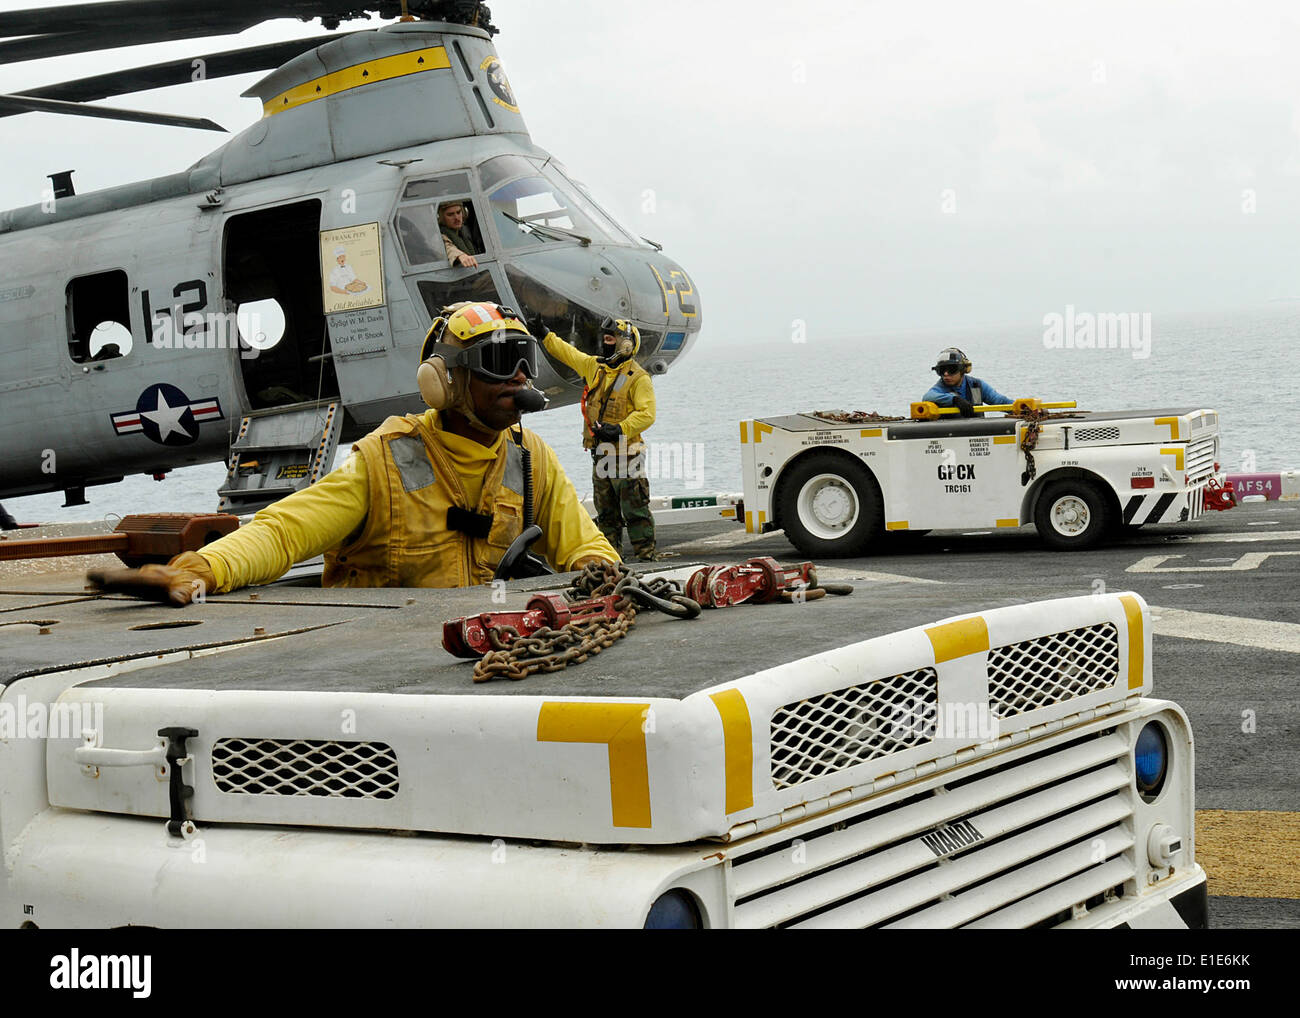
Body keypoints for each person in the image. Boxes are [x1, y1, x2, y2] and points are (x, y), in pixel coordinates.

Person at [89, 303, 616, 605]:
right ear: (445, 380)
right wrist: (200, 569)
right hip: (389, 660)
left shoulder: (530, 458)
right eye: (500, 360)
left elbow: (587, 547)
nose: (520, 377)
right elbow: (286, 530)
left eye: (524, 360)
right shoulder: (384, 460)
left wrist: (599, 576)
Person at [532, 316, 664, 561]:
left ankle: (647, 558)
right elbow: (568, 353)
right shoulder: (595, 367)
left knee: (635, 509)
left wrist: (620, 428)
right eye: (605, 339)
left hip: (627, 454)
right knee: (606, 512)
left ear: (626, 344)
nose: (606, 343)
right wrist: (545, 334)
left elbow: (647, 414)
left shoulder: (638, 378)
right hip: (601, 454)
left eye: (611, 339)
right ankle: (612, 559)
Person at [922, 347, 1013, 417]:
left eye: (951, 369)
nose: (946, 374)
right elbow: (928, 397)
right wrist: (954, 399)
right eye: (941, 370)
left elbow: (1000, 401)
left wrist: (1021, 407)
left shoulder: (976, 385)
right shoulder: (940, 388)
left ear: (963, 370)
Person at [438, 201, 479, 269]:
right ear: (442, 218)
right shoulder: (439, 236)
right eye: (450, 214)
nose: (456, 218)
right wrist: (460, 256)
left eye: (458, 212)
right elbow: (448, 247)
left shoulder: (464, 231)